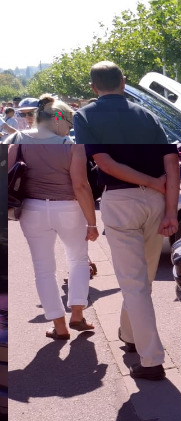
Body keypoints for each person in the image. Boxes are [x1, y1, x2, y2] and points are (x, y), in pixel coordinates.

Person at [73, 60, 180, 381]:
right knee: (142, 280)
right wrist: (171, 210)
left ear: (93, 87)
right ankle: (130, 335)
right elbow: (172, 163)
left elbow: (104, 163)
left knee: (135, 283)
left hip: (121, 201)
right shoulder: (148, 114)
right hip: (157, 200)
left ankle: (152, 360)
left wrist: (151, 183)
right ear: (123, 81)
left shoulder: (84, 115)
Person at [7, 95, 98, 341]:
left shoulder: (17, 140)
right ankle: (77, 314)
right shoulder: (70, 145)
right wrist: (92, 222)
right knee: (78, 260)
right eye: (68, 123)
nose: (69, 128)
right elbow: (81, 186)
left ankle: (59, 326)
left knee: (43, 268)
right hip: (68, 209)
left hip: (32, 209)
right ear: (59, 120)